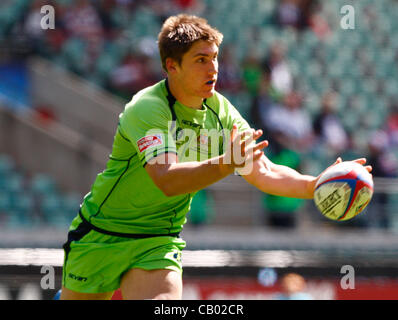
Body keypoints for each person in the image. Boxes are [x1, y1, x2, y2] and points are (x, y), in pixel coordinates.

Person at [60, 14, 371, 300]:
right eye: (200, 60)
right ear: (172, 66)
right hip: (101, 235)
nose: (214, 68)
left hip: (157, 239)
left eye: (214, 58)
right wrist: (226, 162)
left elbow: (264, 170)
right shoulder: (147, 108)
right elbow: (166, 179)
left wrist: (314, 184)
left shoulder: (221, 111)